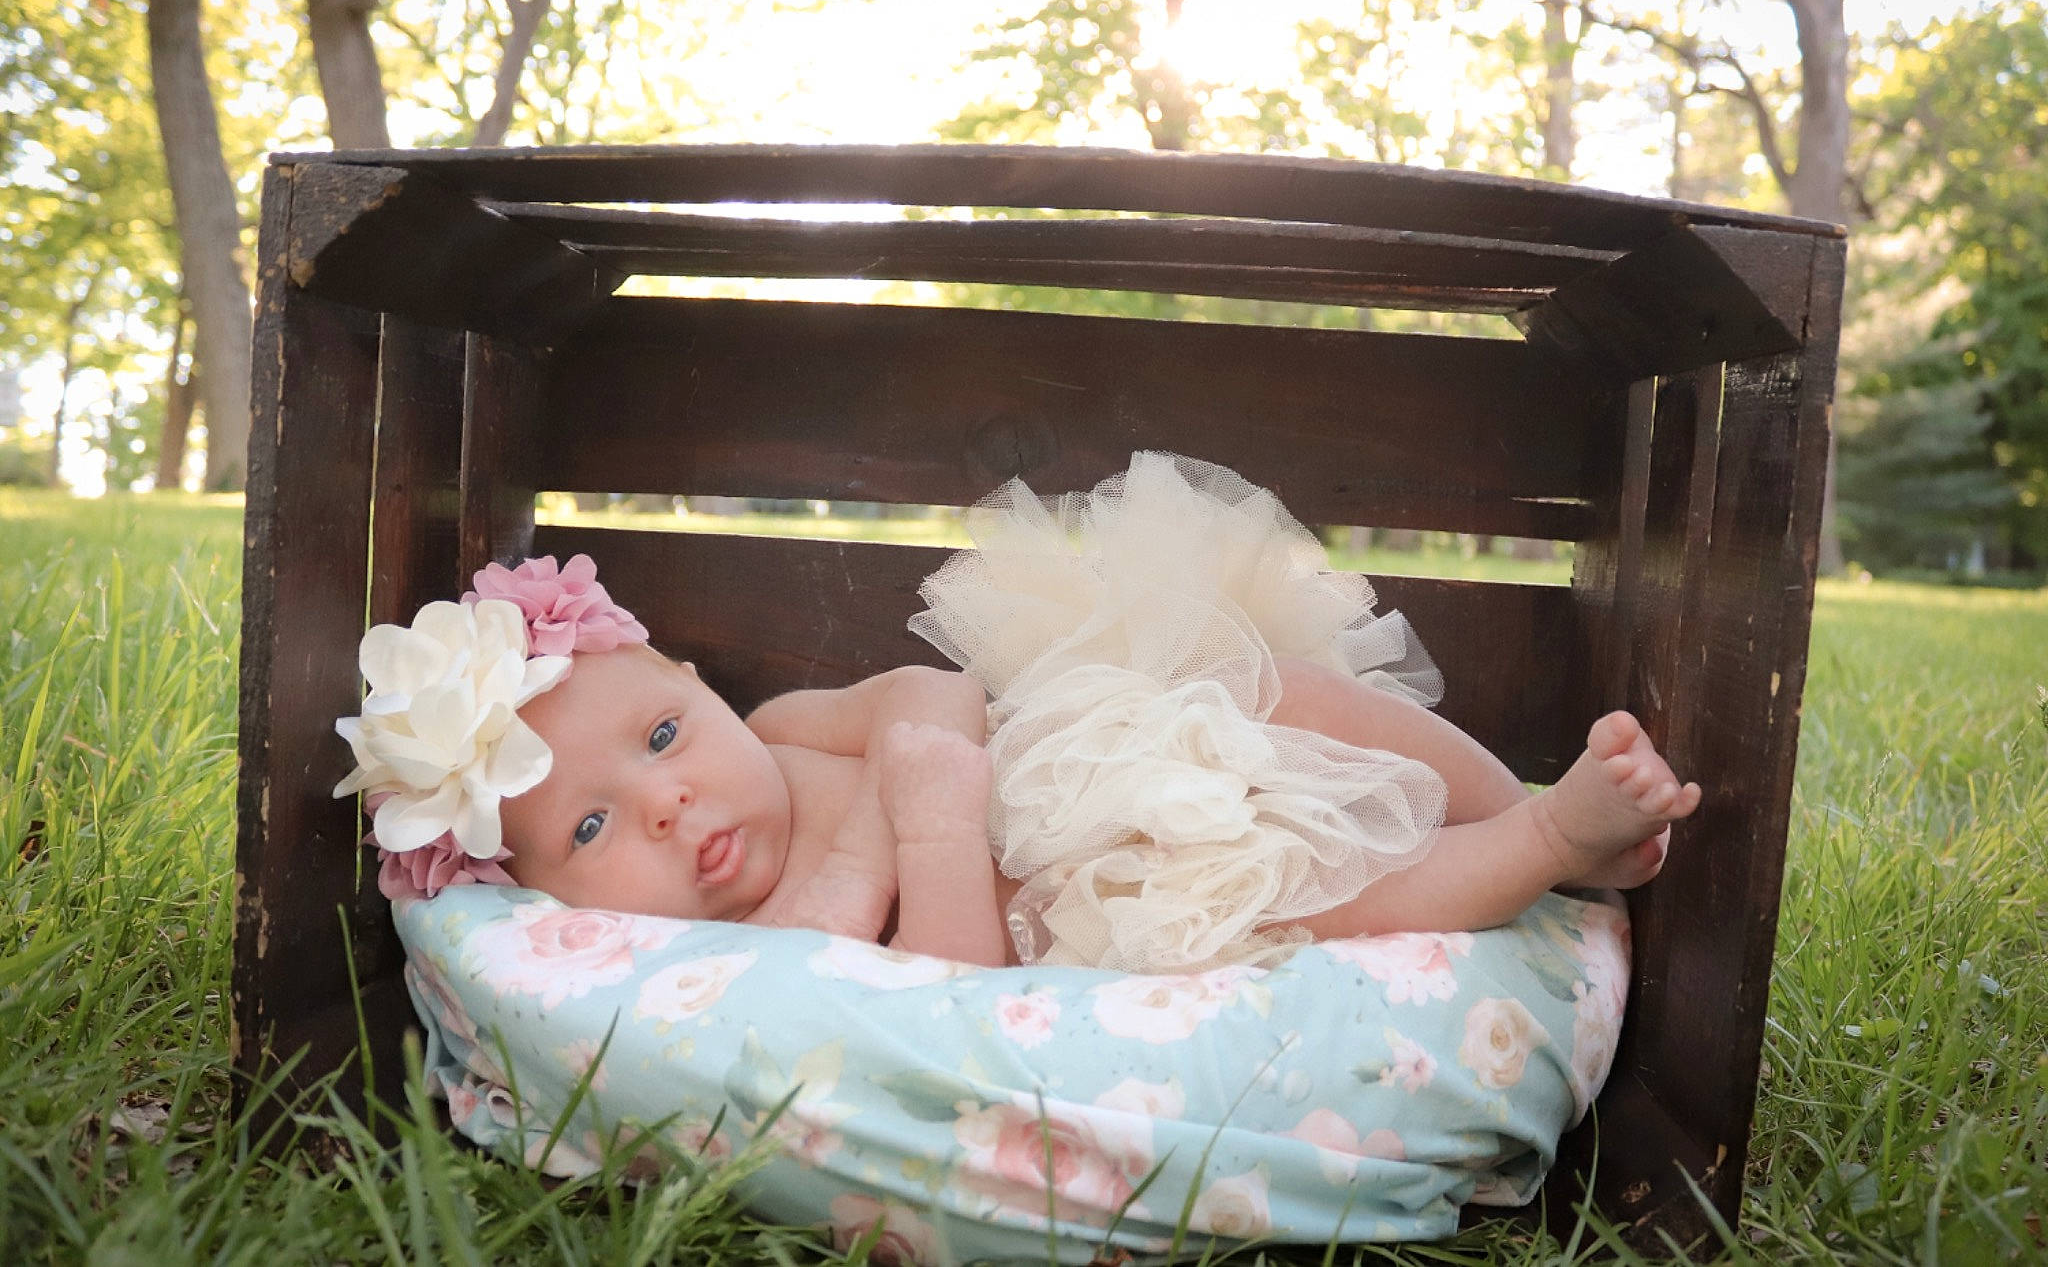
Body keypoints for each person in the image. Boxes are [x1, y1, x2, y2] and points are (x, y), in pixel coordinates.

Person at [337, 454, 1699, 974]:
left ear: (697, 686)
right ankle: (1541, 848)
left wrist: (872, 830)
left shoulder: (795, 719)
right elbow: (952, 999)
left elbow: (932, 695)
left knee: (1288, 692)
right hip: (1099, 882)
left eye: (660, 737)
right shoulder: (751, 953)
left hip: (1088, 733)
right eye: (590, 823)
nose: (666, 798)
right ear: (558, 905)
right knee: (1306, 885)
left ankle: (1510, 799)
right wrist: (921, 850)